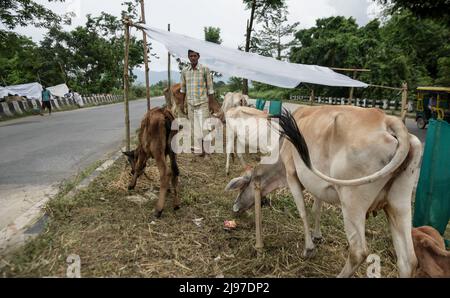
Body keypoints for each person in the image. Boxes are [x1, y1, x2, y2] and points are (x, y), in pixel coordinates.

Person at [180, 50, 215, 157]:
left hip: (203, 103)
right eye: (191, 56)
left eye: (195, 56)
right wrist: (182, 104)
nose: (193, 58)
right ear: (188, 57)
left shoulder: (204, 69)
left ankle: (207, 151)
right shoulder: (185, 71)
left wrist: (212, 104)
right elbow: (183, 89)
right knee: (195, 128)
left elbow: (210, 88)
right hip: (191, 104)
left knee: (204, 127)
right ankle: (200, 149)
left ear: (198, 56)